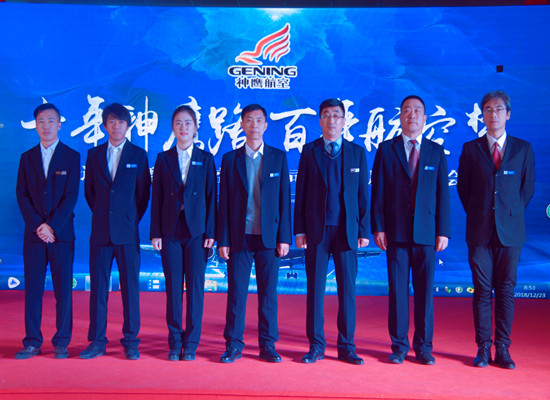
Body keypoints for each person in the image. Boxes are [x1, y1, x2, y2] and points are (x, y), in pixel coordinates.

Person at [370, 95, 450, 365]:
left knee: (425, 293)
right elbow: (378, 192)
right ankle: (399, 346)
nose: (412, 115)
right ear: (400, 117)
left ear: (425, 118)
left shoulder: (436, 151)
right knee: (398, 292)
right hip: (395, 232)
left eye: (417, 111)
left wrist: (443, 231)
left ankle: (424, 347)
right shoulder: (386, 149)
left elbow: (443, 195)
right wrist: (378, 227)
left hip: (427, 233)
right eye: (406, 110)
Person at [457, 90, 534, 369]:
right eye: (488, 110)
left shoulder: (522, 149)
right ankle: (482, 347)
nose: (493, 114)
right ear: (482, 115)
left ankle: (502, 347)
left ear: (508, 114)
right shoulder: (471, 149)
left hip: (510, 233)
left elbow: (526, 190)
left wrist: (507, 214)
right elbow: (464, 190)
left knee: (505, 289)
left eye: (499, 109)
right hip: (479, 232)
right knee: (481, 289)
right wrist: (482, 213)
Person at [294, 98, 369, 365]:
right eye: (326, 115)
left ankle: (347, 346)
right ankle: (316, 345)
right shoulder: (309, 151)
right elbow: (301, 192)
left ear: (344, 120)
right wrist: (299, 230)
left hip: (347, 232)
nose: (331, 120)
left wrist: (363, 230)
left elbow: (363, 195)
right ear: (320, 121)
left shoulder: (357, 152)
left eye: (336, 115)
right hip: (316, 231)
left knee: (347, 290)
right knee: (315, 290)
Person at [216, 103, 291, 363]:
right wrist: (223, 238)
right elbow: (223, 202)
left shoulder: (278, 157)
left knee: (268, 293)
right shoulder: (230, 159)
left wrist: (284, 237)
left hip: (269, 237)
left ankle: (267, 344)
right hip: (240, 236)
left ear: (266, 125)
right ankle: (233, 344)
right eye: (249, 120)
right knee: (236, 292)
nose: (254, 125)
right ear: (242, 124)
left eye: (259, 120)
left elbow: (284, 200)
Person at [80, 103, 151, 360]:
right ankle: (97, 341)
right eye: (111, 121)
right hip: (100, 233)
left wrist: (129, 218)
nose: (116, 126)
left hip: (127, 233)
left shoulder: (138, 155)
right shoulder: (94, 155)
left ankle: (131, 341)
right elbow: (90, 193)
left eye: (121, 122)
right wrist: (104, 215)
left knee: (130, 289)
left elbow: (143, 194)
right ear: (104, 125)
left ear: (128, 125)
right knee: (98, 289)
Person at [150, 105, 217, 361]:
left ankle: (191, 344)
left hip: (197, 232)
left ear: (195, 127)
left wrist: (211, 232)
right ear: (172, 127)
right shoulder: (163, 159)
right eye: (178, 122)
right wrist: (155, 232)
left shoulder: (206, 158)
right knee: (173, 288)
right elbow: (156, 198)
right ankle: (174, 341)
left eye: (188, 122)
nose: (183, 127)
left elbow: (212, 198)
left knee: (196, 289)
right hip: (170, 231)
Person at [15, 103, 80, 360]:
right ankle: (32, 341)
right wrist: (38, 226)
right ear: (35, 125)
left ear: (59, 124)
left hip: (61, 235)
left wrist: (51, 226)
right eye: (41, 121)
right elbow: (22, 195)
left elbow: (71, 196)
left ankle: (62, 341)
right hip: (34, 236)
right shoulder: (27, 158)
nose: (46, 126)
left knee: (63, 290)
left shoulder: (71, 156)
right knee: (33, 289)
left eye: (51, 121)